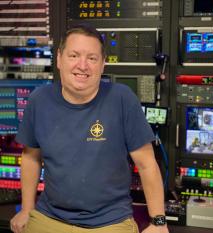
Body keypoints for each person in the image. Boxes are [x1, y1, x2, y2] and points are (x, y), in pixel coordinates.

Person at [10, 24, 169, 233]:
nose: (82, 65)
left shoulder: (122, 98)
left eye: (92, 58)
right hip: (49, 217)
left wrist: (158, 222)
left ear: (102, 64)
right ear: (59, 59)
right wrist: (26, 209)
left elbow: (147, 164)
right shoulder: (39, 100)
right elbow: (31, 157)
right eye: (74, 55)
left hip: (110, 222)